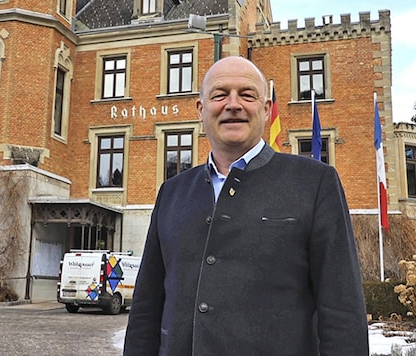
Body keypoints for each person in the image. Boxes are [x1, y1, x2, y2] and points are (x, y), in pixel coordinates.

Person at [123, 56, 369, 355]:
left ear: (266, 110)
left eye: (247, 94)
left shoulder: (315, 183)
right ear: (201, 111)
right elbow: (146, 308)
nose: (233, 104)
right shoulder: (172, 192)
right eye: (220, 94)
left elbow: (342, 310)